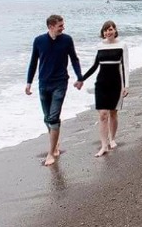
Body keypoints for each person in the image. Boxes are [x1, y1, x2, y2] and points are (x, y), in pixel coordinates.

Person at [26, 14, 83, 166]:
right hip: (43, 84)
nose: (63, 28)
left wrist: (80, 77)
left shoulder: (67, 40)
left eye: (63, 25)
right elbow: (33, 62)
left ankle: (51, 153)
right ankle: (55, 143)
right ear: (51, 26)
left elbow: (74, 59)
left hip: (60, 83)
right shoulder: (39, 41)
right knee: (47, 118)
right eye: (60, 26)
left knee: (53, 117)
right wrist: (28, 82)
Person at [76, 20, 130, 157]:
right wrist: (81, 78)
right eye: (106, 30)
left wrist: (126, 86)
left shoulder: (122, 45)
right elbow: (95, 66)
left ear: (115, 30)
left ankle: (112, 139)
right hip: (101, 84)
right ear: (103, 33)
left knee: (113, 113)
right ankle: (104, 145)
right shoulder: (100, 46)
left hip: (116, 84)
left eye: (110, 29)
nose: (108, 32)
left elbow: (125, 67)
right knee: (102, 114)